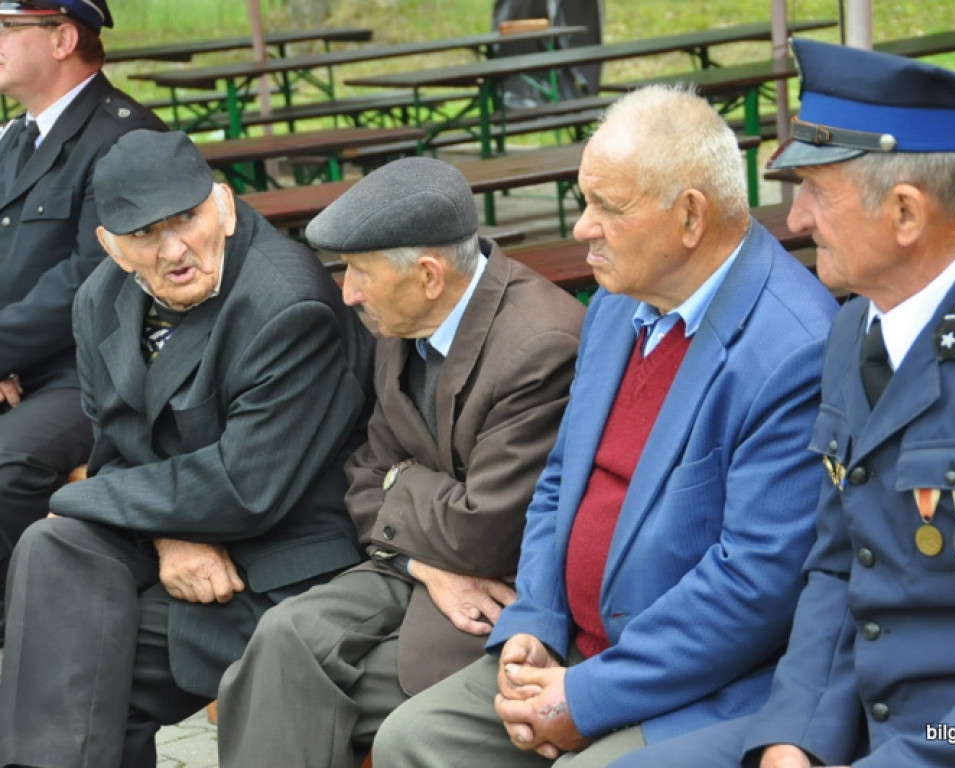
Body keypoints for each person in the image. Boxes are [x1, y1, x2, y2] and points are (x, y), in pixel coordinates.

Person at [371, 85, 837, 768]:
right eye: (584, 199)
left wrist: (587, 696)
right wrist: (533, 622)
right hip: (570, 646)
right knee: (410, 739)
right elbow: (560, 481)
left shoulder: (792, 349)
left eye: (607, 208)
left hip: (699, 685)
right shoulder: (620, 304)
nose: (581, 227)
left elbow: (753, 587)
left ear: (689, 217)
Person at [609, 39, 955, 768]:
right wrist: (794, 738)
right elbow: (837, 567)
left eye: (815, 192)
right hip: (849, 714)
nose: (795, 219)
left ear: (904, 212)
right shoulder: (854, 329)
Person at [0, 129, 375, 768]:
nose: (174, 249)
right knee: (53, 545)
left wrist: (81, 495)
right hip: (187, 537)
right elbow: (117, 444)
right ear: (111, 247)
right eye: (145, 234)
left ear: (223, 207)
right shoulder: (99, 300)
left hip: (278, 562)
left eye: (187, 219)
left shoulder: (287, 303)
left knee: (85, 675)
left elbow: (243, 486)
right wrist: (169, 538)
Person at [216, 156, 585, 768]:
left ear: (429, 274)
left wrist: (402, 484)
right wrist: (422, 561)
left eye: (359, 271)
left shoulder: (540, 346)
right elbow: (361, 475)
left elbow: (483, 531)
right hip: (411, 568)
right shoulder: (400, 321)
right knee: (281, 637)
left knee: (274, 691)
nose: (347, 293)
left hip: (499, 600)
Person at [0, 0, 166, 642]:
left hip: (93, 370)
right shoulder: (19, 136)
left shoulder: (124, 137)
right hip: (22, 364)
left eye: (9, 27)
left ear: (63, 36)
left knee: (6, 466)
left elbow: (88, 278)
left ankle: (34, 643)